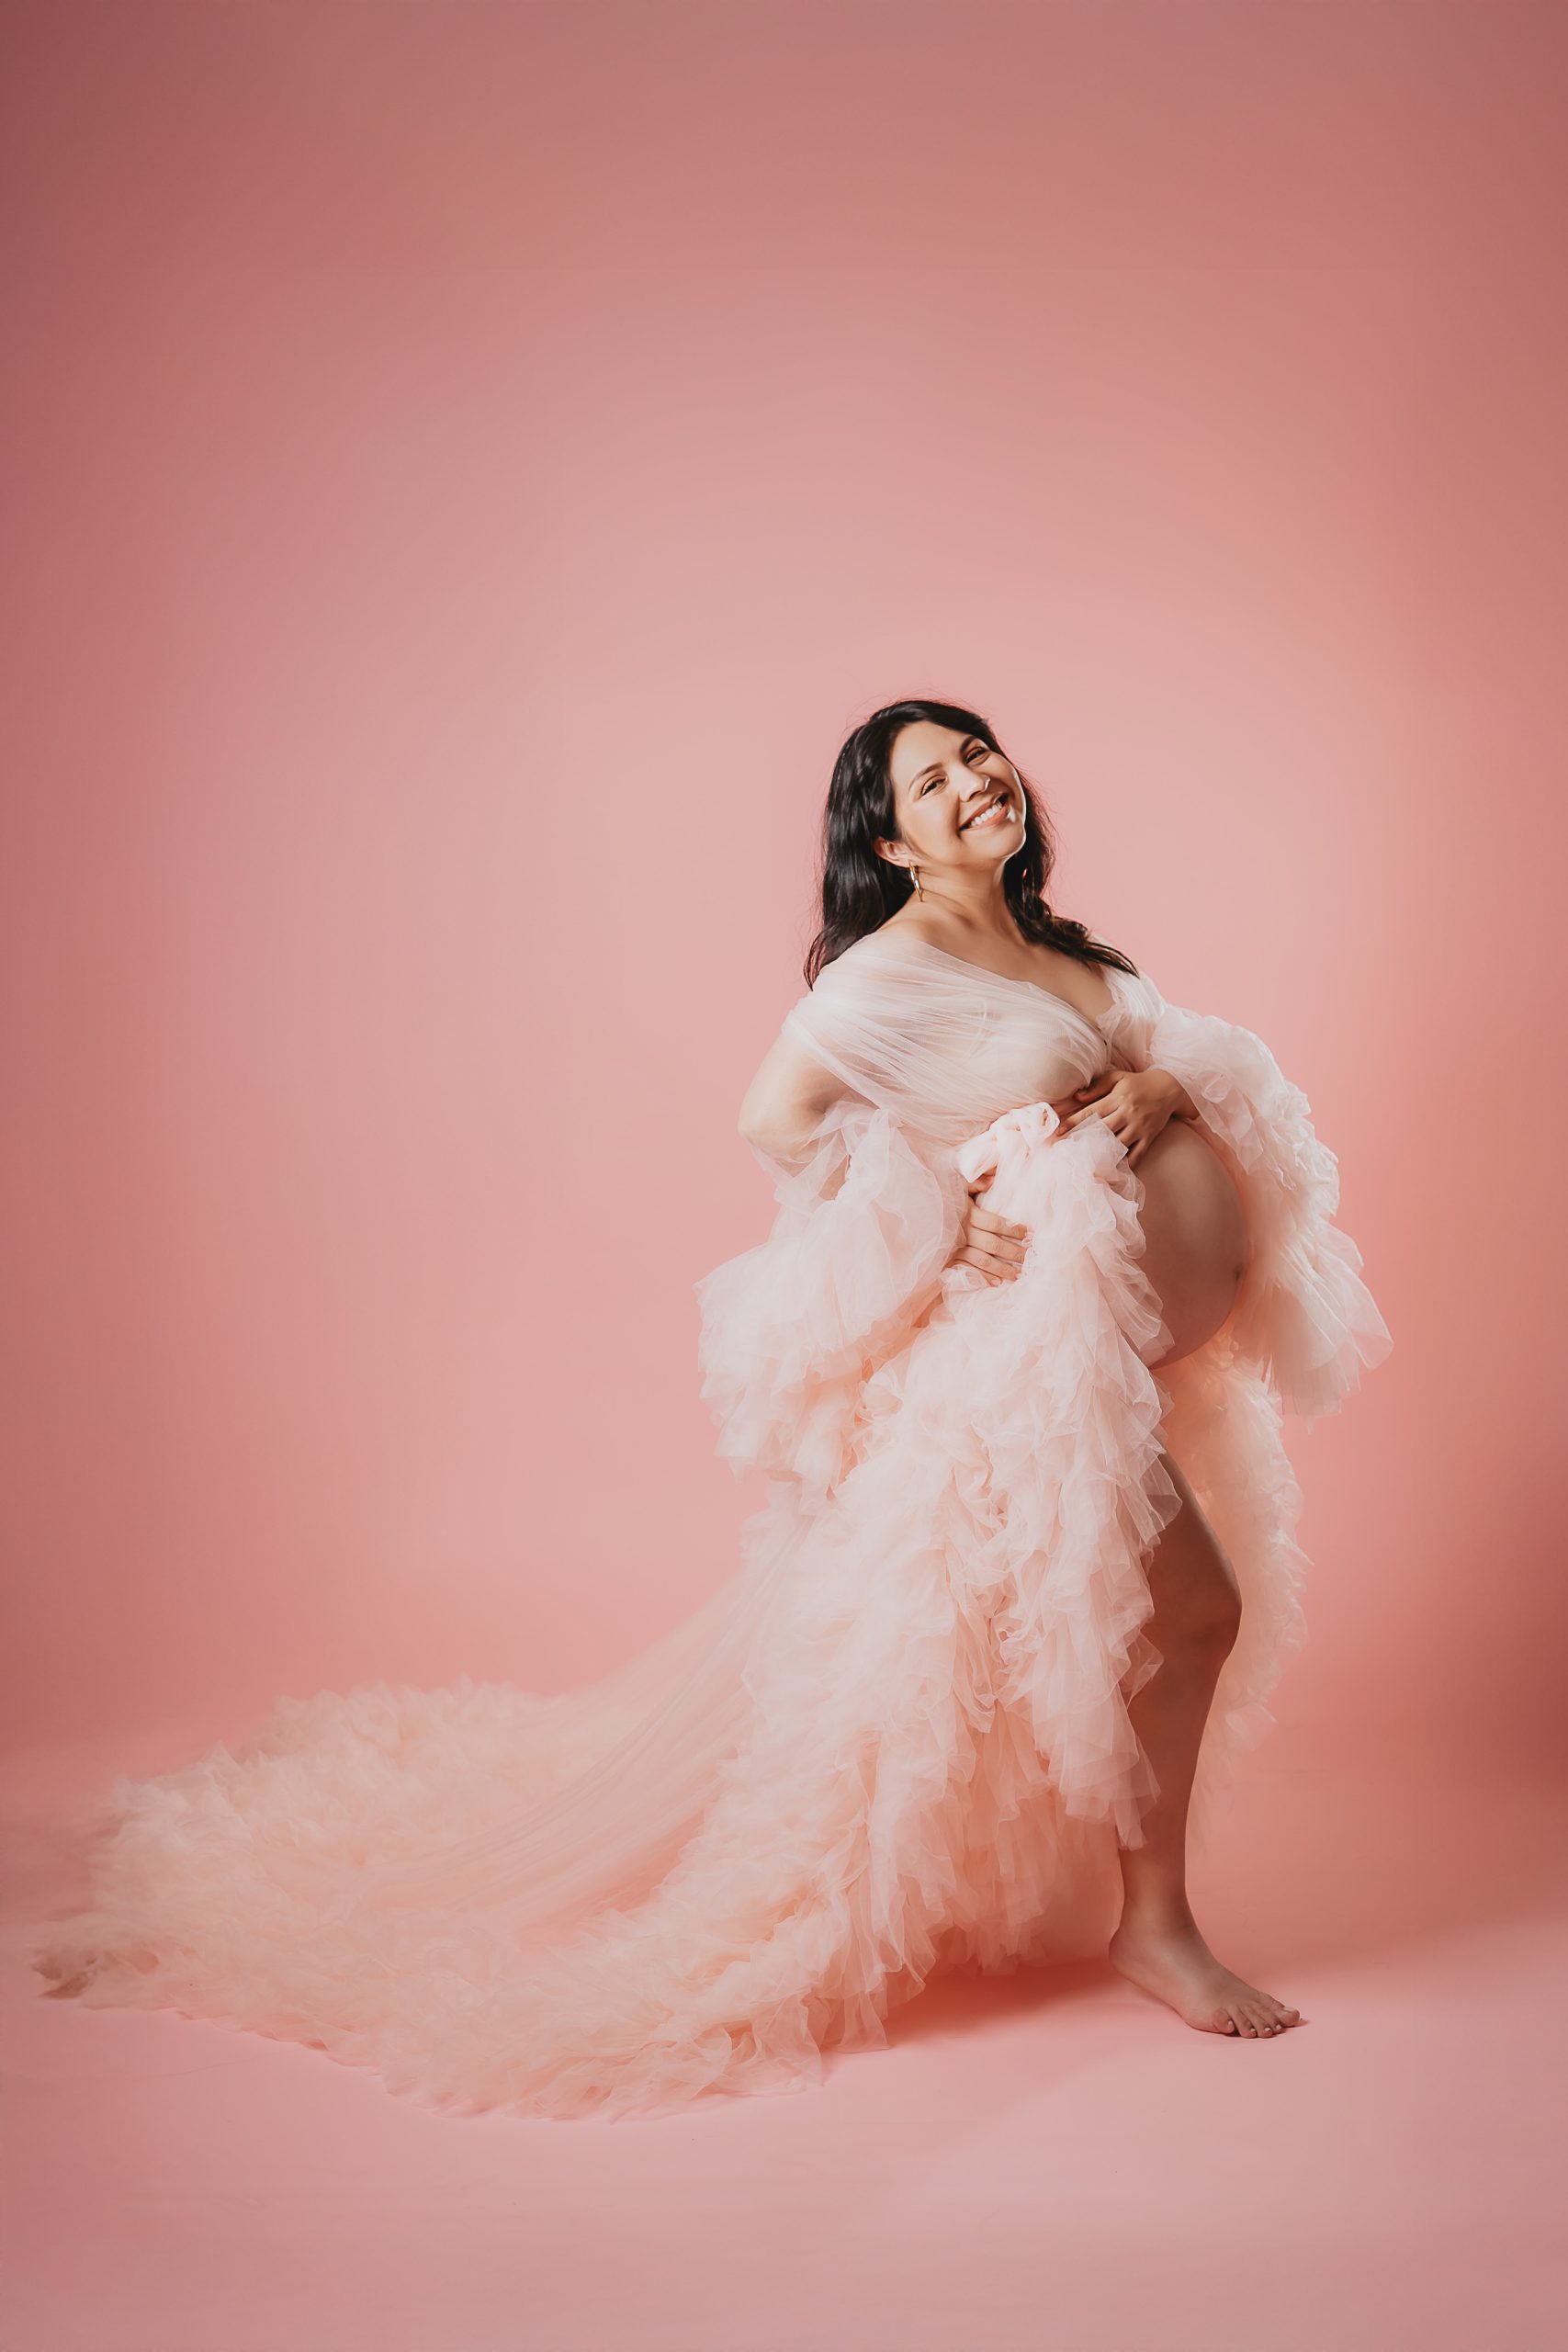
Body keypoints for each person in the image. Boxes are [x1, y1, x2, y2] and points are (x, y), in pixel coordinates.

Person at [32, 697, 1392, 2122]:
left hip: (1103, 1361)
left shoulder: (1062, 949)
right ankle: (1154, 1927)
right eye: (932, 781)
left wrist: (1158, 1086)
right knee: (1166, 1618)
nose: (974, 781)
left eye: (977, 754)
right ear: (893, 843)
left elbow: (1159, 1053)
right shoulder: (880, 980)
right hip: (1022, 1371)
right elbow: (778, 1120)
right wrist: (942, 1220)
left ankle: (1144, 1914)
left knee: (1116, 1634)